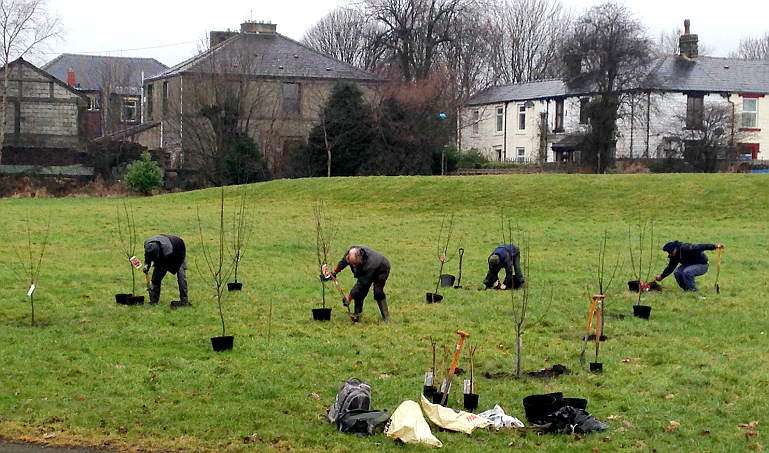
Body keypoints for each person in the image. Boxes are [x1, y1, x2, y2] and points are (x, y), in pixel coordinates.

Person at [324, 246, 390, 322]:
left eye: (355, 264)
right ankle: (357, 315)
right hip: (369, 268)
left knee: (377, 292)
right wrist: (334, 272)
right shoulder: (351, 252)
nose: (354, 266)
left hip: (381, 268)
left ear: (360, 260)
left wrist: (349, 298)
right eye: (352, 264)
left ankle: (386, 317)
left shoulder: (369, 265)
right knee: (360, 294)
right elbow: (343, 262)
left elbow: (361, 284)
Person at [655, 241, 724, 292]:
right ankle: (687, 290)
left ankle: (694, 291)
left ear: (675, 249)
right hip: (688, 265)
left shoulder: (686, 248)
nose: (670, 254)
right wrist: (662, 276)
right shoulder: (674, 255)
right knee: (677, 272)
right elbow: (671, 267)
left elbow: (700, 246)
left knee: (687, 272)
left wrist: (714, 246)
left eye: (671, 252)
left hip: (702, 264)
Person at [143, 235, 190, 307]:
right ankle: (153, 301)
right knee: (156, 279)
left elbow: (166, 263)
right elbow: (148, 256)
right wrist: (147, 265)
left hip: (178, 250)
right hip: (164, 252)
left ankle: (184, 301)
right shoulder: (147, 245)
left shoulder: (167, 248)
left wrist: (160, 268)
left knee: (181, 276)